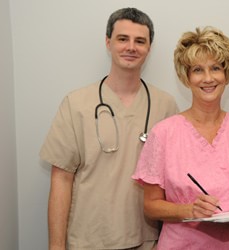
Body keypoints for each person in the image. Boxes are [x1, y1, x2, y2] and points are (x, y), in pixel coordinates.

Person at [40, 7, 178, 250]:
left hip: (147, 240)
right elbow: (61, 179)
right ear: (108, 42)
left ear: (149, 48)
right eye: (122, 39)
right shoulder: (77, 104)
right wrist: (56, 247)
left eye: (140, 41)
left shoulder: (165, 106)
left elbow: (174, 182)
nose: (131, 47)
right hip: (87, 240)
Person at [132, 26, 229, 249]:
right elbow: (150, 206)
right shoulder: (163, 133)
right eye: (198, 70)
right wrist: (188, 210)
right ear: (186, 77)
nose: (208, 78)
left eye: (215, 68)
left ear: (227, 74)